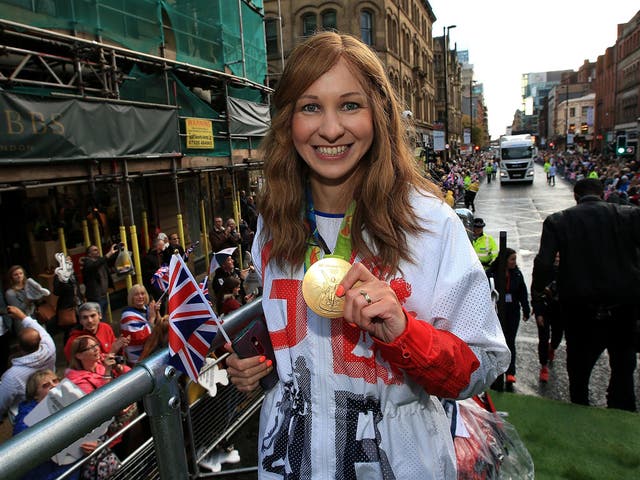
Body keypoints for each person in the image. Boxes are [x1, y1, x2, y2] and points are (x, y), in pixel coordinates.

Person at [224, 32, 509, 478]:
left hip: (400, 462)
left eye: (350, 105)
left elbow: (481, 366)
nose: (331, 128)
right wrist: (260, 366)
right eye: (310, 106)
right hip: (289, 462)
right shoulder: (273, 219)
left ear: (379, 114)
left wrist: (403, 333)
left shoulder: (431, 224)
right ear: (287, 121)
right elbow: (290, 329)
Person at [532, 178, 640, 411]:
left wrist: (539, 292)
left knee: (579, 374)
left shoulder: (559, 221)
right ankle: (621, 411)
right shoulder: (629, 216)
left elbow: (543, 264)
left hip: (581, 310)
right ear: (603, 194)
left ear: (575, 196)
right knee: (624, 370)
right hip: (623, 308)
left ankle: (581, 411)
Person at [13, 369, 83, 480]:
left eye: (55, 381)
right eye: (45, 385)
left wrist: (88, 444)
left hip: (71, 470)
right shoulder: (26, 420)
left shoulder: (69, 402)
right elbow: (28, 451)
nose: (53, 385)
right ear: (35, 395)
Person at [0, 305, 56, 422]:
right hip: (52, 399)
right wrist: (22, 315)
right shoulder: (50, 346)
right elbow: (36, 327)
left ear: (19, 347)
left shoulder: (12, 376)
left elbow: (2, 403)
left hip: (27, 414)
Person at [488, 248, 530, 384]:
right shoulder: (492, 273)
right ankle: (496, 372)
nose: (514, 262)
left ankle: (511, 372)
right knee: (497, 343)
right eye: (512, 259)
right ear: (505, 260)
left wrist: (526, 308)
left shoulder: (517, 274)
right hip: (497, 312)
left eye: (515, 259)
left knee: (510, 341)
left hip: (513, 312)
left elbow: (523, 292)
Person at [531, 252, 563, 383]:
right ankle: (543, 365)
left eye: (559, 256)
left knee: (557, 335)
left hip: (560, 310)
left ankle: (553, 347)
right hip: (544, 308)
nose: (557, 259)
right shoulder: (542, 268)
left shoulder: (568, 268)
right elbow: (535, 290)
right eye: (555, 256)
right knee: (543, 337)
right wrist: (538, 312)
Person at [64, 302, 129, 363]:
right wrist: (113, 350)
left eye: (93, 316)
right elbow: (73, 365)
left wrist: (120, 347)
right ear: (80, 321)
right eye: (85, 317)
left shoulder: (106, 327)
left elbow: (117, 354)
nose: (89, 320)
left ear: (100, 316)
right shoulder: (74, 340)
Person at [119, 284, 159, 365]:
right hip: (138, 360)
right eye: (136, 294)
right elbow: (139, 337)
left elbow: (158, 327)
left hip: (151, 354)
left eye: (142, 293)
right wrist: (152, 319)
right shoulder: (127, 316)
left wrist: (157, 312)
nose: (140, 296)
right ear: (131, 298)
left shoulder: (147, 309)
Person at [80, 243, 118, 317]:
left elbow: (108, 261)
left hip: (103, 295)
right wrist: (109, 254)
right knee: (98, 317)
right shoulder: (87, 263)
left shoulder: (100, 261)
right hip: (95, 297)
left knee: (102, 315)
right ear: (89, 254)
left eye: (97, 249)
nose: (97, 251)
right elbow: (95, 265)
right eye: (94, 250)